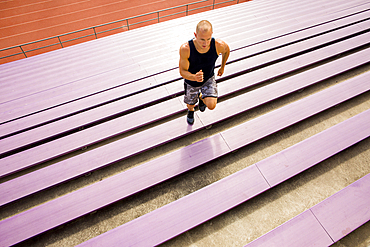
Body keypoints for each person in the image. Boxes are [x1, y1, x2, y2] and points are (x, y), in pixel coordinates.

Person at [179, 20, 230, 125]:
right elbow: (182, 71)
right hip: (191, 82)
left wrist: (222, 67)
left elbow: (227, 50)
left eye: (208, 39)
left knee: (211, 105)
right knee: (190, 104)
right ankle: (191, 111)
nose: (205, 43)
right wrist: (194, 77)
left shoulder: (218, 45)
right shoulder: (186, 49)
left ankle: (202, 97)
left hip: (208, 78)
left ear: (212, 35)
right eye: (202, 39)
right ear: (195, 35)